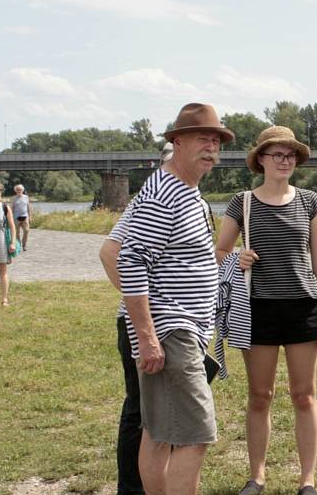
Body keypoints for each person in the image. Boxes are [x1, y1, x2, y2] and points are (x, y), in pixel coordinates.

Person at [117, 103, 234, 495]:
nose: (211, 148)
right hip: (171, 330)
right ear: (177, 141)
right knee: (195, 433)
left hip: (182, 329)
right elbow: (130, 261)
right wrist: (147, 338)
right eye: (203, 138)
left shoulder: (187, 193)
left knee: (159, 431)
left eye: (216, 141)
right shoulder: (163, 194)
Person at [215, 125, 317, 495]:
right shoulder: (242, 202)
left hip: (303, 307)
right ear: (261, 160)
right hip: (257, 310)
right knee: (260, 395)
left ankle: (307, 479)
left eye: (291, 155)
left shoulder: (311, 202)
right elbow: (217, 253)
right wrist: (238, 257)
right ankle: (257, 476)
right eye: (277, 154)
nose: (285, 161)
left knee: (304, 395)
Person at [99, 142, 173, 495]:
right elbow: (110, 252)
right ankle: (132, 488)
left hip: (176, 327)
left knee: (165, 414)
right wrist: (138, 305)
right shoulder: (150, 202)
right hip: (147, 327)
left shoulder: (189, 201)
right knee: (140, 412)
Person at [11, 184, 32, 251]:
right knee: (17, 233)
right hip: (16, 217)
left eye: (20, 189)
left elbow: (28, 207)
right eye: (17, 189)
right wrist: (10, 218)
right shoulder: (13, 198)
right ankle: (19, 245)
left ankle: (24, 244)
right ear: (15, 190)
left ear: (22, 190)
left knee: (26, 231)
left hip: (25, 216)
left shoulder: (26, 197)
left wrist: (30, 216)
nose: (18, 191)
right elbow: (12, 208)